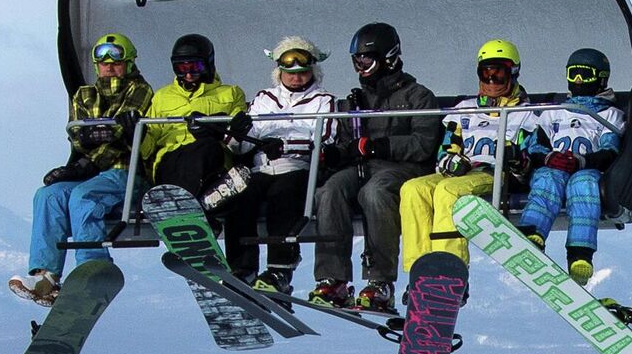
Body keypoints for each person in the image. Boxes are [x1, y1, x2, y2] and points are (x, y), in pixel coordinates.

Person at [12, 32, 155, 306]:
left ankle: (92, 268)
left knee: (83, 197)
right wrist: (95, 145)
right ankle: (46, 276)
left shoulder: (140, 90)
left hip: (128, 171)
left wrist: (90, 157)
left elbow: (122, 139)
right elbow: (79, 136)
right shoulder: (84, 94)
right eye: (102, 60)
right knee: (48, 195)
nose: (109, 64)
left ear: (129, 62)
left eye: (116, 58)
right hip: (94, 173)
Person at [309, 22, 443, 313]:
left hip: (404, 169)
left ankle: (380, 281)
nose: (361, 67)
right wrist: (336, 154)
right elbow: (347, 141)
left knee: (375, 192)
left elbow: (423, 144)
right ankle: (334, 278)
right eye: (356, 61)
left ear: (389, 57)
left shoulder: (417, 96)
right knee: (330, 190)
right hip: (362, 166)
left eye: (366, 60)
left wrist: (378, 145)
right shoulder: (356, 101)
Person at [215, 36, 338, 292]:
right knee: (242, 198)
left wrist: (287, 146)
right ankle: (242, 267)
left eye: (303, 73)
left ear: (312, 71)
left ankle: (279, 270)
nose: (296, 79)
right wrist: (237, 134)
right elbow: (241, 144)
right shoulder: (264, 99)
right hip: (262, 167)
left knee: (282, 195)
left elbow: (326, 138)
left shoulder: (323, 101)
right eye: (289, 73)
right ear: (278, 72)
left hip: (298, 167)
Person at [398, 39, 528, 281]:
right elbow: (447, 146)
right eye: (486, 73)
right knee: (413, 189)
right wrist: (450, 160)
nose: (491, 81)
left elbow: (526, 152)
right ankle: (419, 271)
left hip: (493, 173)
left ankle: (450, 269)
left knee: (448, 191)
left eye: (498, 74)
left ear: (513, 73)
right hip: (460, 171)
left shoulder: (525, 112)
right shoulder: (464, 109)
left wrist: (516, 159)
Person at [515, 47, 626, 284]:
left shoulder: (609, 114)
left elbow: (610, 150)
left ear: (601, 78)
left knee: (583, 186)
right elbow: (535, 146)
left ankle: (579, 254)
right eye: (573, 74)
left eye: (584, 75)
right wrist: (548, 158)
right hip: (555, 166)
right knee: (546, 179)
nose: (577, 81)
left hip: (587, 169)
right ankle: (532, 233)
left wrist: (582, 161)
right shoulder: (553, 113)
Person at [141, 33, 250, 200]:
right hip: (172, 159)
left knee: (207, 146)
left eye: (195, 67)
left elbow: (238, 137)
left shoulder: (230, 93)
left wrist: (223, 130)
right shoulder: (162, 96)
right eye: (181, 69)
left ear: (208, 64)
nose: (189, 74)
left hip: (212, 158)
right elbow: (147, 149)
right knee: (180, 159)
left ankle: (186, 203)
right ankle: (204, 201)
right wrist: (138, 134)